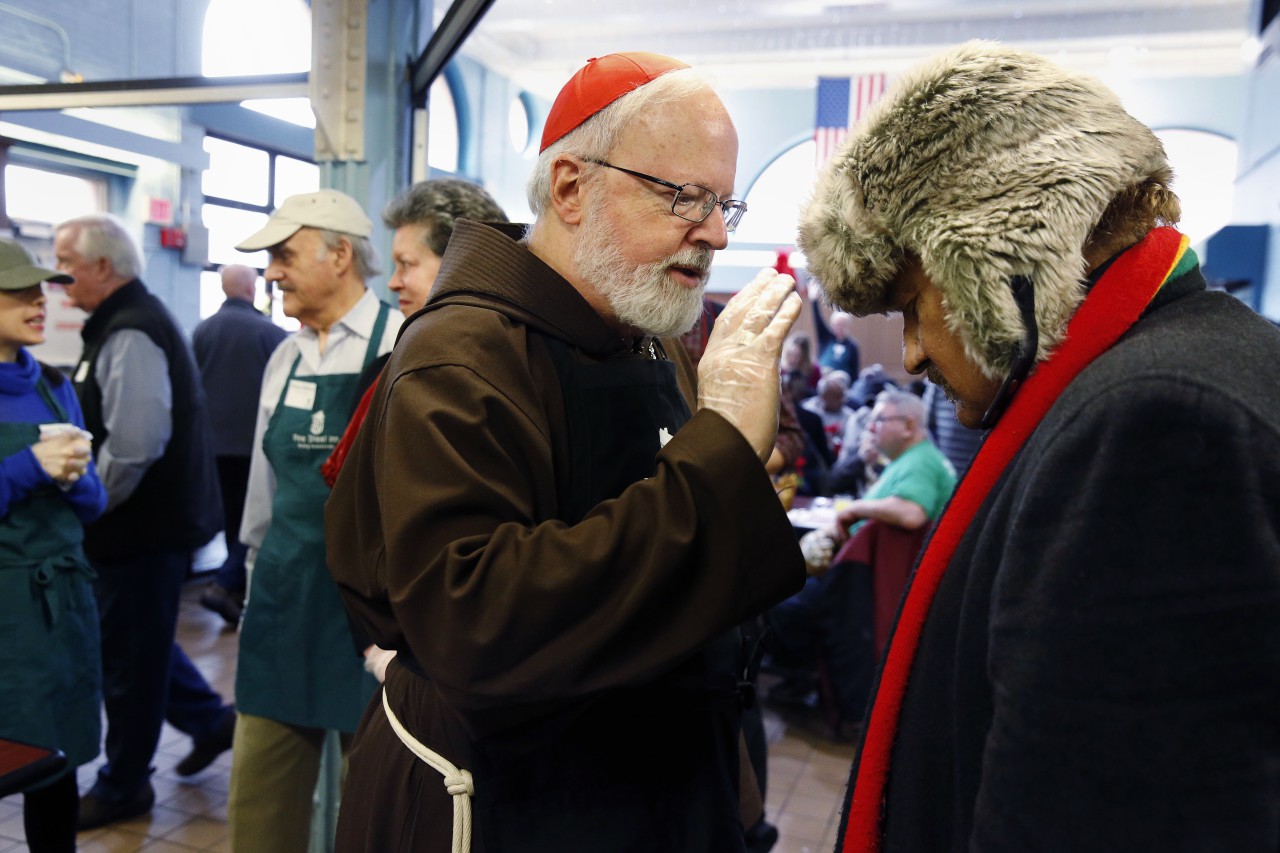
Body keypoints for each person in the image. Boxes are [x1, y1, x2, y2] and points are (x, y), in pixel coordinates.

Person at [797, 41, 1280, 851]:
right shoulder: (1165, 372)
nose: (911, 354)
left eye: (916, 306)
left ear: (1002, 256)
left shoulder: (1157, 422)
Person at [325, 51, 807, 852]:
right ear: (573, 187)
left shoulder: (646, 333)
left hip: (645, 779)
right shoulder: (463, 355)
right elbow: (477, 618)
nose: (716, 233)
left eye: (726, 202)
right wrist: (720, 457)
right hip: (505, 796)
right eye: (684, 195)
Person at [229, 188, 402, 852]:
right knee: (259, 804)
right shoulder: (284, 357)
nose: (271, 272)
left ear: (339, 255)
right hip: (281, 602)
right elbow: (260, 496)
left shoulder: (402, 342)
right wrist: (253, 588)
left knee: (374, 811)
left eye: (283, 255)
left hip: (369, 622)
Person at [54, 214, 234, 829]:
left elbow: (134, 444)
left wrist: (90, 506)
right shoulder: (120, 323)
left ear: (103, 267)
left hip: (140, 531)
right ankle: (211, 721)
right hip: (141, 532)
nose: (58, 277)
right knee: (138, 640)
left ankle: (124, 784)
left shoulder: (131, 329)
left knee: (128, 662)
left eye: (65, 262)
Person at [0, 239, 106, 852]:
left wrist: (78, 478)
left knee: (55, 767)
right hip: (4, 608)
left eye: (40, 288)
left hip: (59, 607)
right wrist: (29, 468)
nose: (39, 301)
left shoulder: (53, 385)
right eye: (18, 290)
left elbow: (93, 506)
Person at [765, 390, 953, 730]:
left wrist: (855, 508)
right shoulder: (911, 460)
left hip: (867, 591)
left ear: (909, 426)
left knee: (784, 603)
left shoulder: (921, 462)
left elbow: (912, 513)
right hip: (863, 581)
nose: (872, 427)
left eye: (880, 420)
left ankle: (805, 678)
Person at [321, 177, 508, 489]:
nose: (393, 283)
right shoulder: (382, 371)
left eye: (405, 265)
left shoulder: (504, 372)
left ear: (461, 263)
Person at [191, 264, 287, 626]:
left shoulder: (201, 331)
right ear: (251, 289)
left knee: (233, 518)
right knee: (255, 519)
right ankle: (229, 584)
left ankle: (230, 588)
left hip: (213, 447)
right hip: (254, 447)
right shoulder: (272, 335)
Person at [814, 306, 860, 377]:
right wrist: (814, 302)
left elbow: (854, 372)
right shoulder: (826, 338)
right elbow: (818, 320)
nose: (839, 328)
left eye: (843, 325)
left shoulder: (852, 346)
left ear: (848, 326)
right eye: (837, 325)